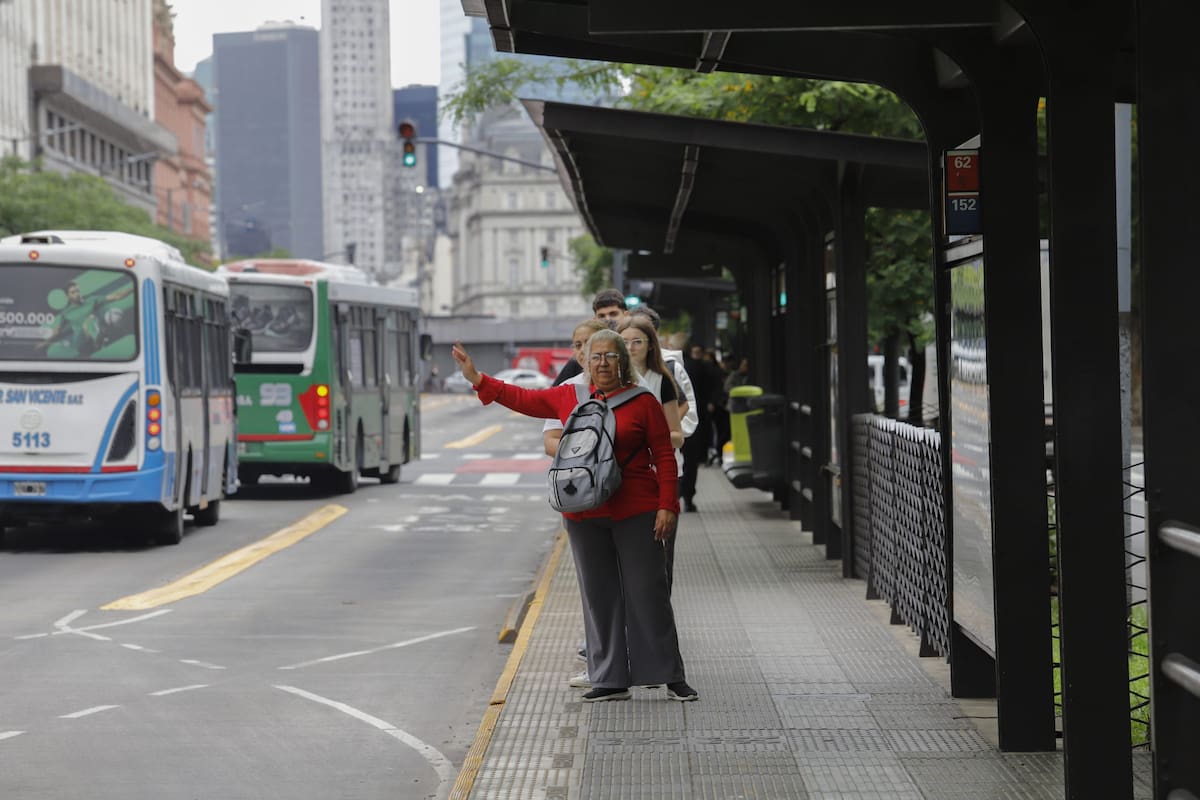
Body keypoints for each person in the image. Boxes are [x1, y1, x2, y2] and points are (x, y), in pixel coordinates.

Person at [452, 331, 699, 703]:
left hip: (637, 509)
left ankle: (668, 674)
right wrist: (477, 379)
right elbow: (525, 399)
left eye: (610, 356)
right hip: (584, 511)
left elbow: (664, 455)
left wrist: (668, 506)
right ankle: (610, 678)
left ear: (622, 362)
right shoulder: (570, 395)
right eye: (595, 356)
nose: (603, 363)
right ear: (585, 361)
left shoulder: (643, 400)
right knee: (599, 596)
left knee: (648, 592)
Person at [552, 288, 628, 386]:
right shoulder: (579, 361)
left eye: (613, 314)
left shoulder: (634, 349)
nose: (607, 319)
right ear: (595, 319)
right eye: (601, 316)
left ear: (626, 315)